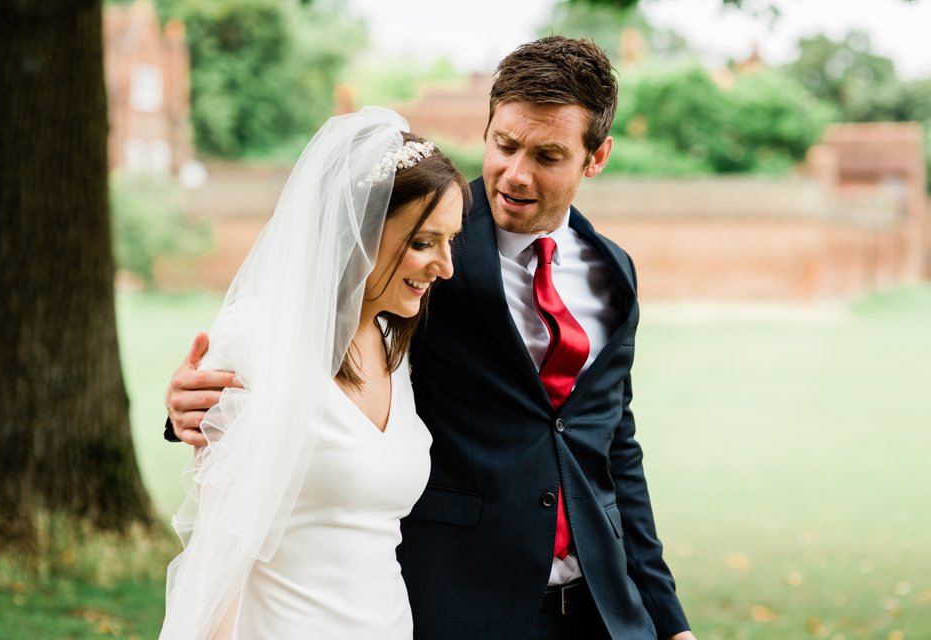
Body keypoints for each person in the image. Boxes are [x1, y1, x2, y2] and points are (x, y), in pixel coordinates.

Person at [166, 37, 696, 639]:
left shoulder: (613, 271)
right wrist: (197, 406)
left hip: (603, 610)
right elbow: (308, 327)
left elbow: (613, 445)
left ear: (595, 157)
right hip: (461, 601)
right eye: (505, 144)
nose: (515, 175)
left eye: (548, 156)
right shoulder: (416, 249)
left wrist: (666, 617)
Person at [159, 106, 469, 639]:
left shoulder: (393, 343)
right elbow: (220, 551)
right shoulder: (258, 338)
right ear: (363, 230)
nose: (446, 266)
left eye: (451, 240)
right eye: (422, 243)